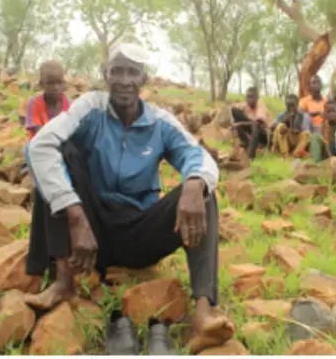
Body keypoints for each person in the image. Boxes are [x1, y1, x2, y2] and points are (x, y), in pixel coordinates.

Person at [22, 43, 232, 354]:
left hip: (139, 232)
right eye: (116, 71)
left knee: (204, 192)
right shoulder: (90, 108)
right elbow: (38, 146)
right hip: (89, 236)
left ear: (144, 79)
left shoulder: (160, 122)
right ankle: (63, 281)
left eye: (132, 72)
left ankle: (203, 311)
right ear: (105, 76)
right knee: (56, 153)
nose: (124, 80)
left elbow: (198, 156)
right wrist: (75, 215)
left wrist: (194, 183)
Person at [25, 60, 71, 139]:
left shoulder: (71, 107)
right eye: (50, 83)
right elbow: (38, 132)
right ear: (41, 84)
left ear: (64, 84)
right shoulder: (34, 103)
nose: (56, 87)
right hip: (39, 145)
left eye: (59, 83)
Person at [230, 86, 272, 159]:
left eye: (251, 97)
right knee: (235, 112)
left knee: (254, 125)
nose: (248, 100)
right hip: (252, 129)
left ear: (257, 98)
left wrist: (239, 123)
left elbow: (258, 124)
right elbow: (232, 109)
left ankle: (251, 156)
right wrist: (233, 122)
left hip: (263, 134)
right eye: (247, 97)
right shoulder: (246, 105)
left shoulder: (260, 105)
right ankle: (245, 142)